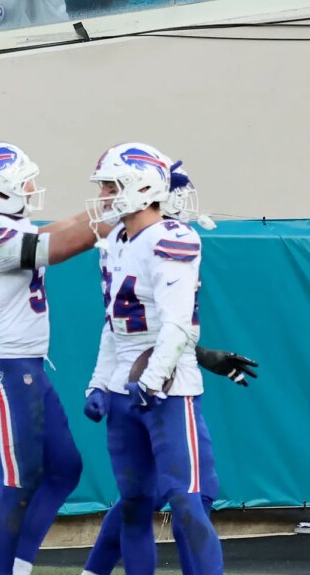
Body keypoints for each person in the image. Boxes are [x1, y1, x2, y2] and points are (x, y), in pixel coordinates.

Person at [0, 142, 111, 575]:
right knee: (19, 482)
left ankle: (20, 567)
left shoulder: (2, 227)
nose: (32, 188)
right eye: (24, 182)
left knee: (64, 469)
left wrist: (109, 204)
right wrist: (118, 215)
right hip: (3, 367)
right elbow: (53, 248)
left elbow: (54, 230)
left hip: (29, 367)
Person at [83, 143, 223, 575]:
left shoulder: (173, 237)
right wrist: (99, 382)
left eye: (111, 183)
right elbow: (114, 325)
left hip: (169, 389)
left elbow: (178, 324)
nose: (104, 193)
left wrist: (152, 380)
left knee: (184, 499)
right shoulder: (114, 239)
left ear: (141, 185)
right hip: (125, 387)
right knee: (133, 503)